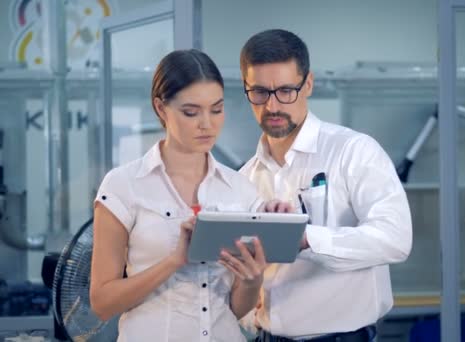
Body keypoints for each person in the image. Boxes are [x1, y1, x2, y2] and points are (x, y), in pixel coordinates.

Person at [239, 29, 413, 341]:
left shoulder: (353, 151)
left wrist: (306, 239)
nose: (272, 106)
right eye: (260, 92)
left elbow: (395, 239)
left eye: (285, 91)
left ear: (308, 84)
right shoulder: (244, 179)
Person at [90, 49, 271, 342]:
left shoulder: (241, 189)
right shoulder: (123, 185)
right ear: (161, 109)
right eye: (191, 112)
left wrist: (252, 280)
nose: (207, 124)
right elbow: (102, 303)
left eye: (216, 109)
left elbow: (235, 310)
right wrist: (175, 260)